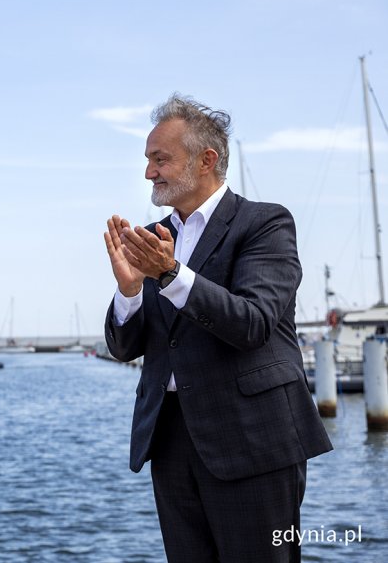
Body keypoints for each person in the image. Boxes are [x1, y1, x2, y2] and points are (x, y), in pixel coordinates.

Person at [103, 95, 332, 562]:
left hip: (254, 442)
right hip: (168, 442)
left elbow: (252, 323)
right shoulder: (151, 239)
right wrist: (129, 291)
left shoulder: (264, 223)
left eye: (160, 159)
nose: (149, 173)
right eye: (148, 160)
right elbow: (127, 349)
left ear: (206, 160)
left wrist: (169, 275)